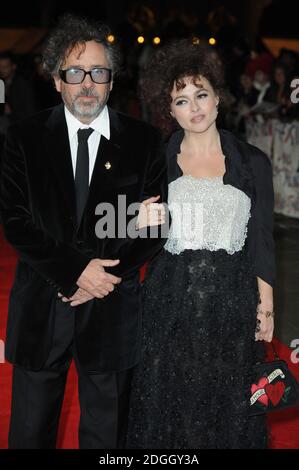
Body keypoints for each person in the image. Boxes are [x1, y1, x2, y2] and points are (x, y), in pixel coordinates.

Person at [0, 13, 167, 449]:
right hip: (41, 309)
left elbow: (153, 228)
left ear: (112, 81)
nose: (87, 83)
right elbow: (16, 222)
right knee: (30, 433)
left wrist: (99, 280)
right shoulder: (23, 139)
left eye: (98, 72)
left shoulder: (144, 142)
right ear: (57, 80)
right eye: (75, 72)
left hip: (111, 310)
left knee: (107, 435)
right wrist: (77, 271)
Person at [126, 39, 275, 449]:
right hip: (169, 302)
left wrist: (266, 304)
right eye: (180, 100)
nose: (194, 107)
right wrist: (135, 220)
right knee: (172, 399)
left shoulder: (252, 162)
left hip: (233, 300)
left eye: (201, 95)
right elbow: (133, 234)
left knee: (228, 399)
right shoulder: (157, 162)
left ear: (218, 98)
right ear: (168, 109)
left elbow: (262, 239)